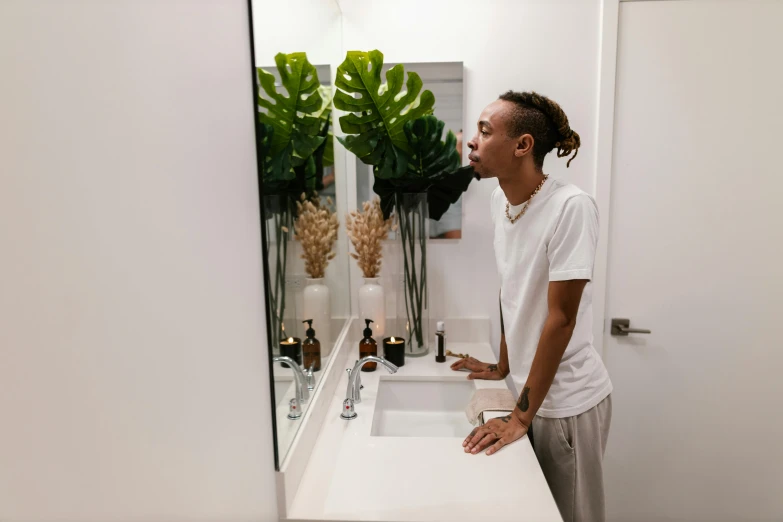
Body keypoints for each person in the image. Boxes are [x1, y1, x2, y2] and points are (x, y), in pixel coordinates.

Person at [451, 91, 613, 522]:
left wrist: (519, 418)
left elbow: (561, 318)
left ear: (523, 145)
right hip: (527, 392)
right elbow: (515, 290)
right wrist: (502, 365)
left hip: (565, 403)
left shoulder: (570, 208)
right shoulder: (500, 201)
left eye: (485, 131)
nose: (472, 140)